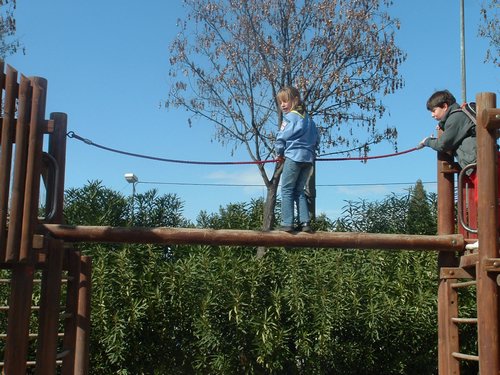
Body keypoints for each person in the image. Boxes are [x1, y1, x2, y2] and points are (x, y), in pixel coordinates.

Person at [274, 86, 319, 233]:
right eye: (280, 102)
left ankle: (287, 223)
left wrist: (279, 153)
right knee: (299, 190)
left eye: (285, 101)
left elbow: (281, 137)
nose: (282, 105)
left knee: (286, 189)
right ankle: (305, 223)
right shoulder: (308, 119)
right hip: (308, 159)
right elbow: (317, 138)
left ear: (295, 100)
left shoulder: (290, 118)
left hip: (293, 156)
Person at [418, 90, 476, 169]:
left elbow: (442, 145)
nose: (432, 115)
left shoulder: (455, 118)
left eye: (434, 110)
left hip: (477, 163)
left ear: (445, 106)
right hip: (476, 161)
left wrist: (426, 141)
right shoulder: (459, 116)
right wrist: (442, 125)